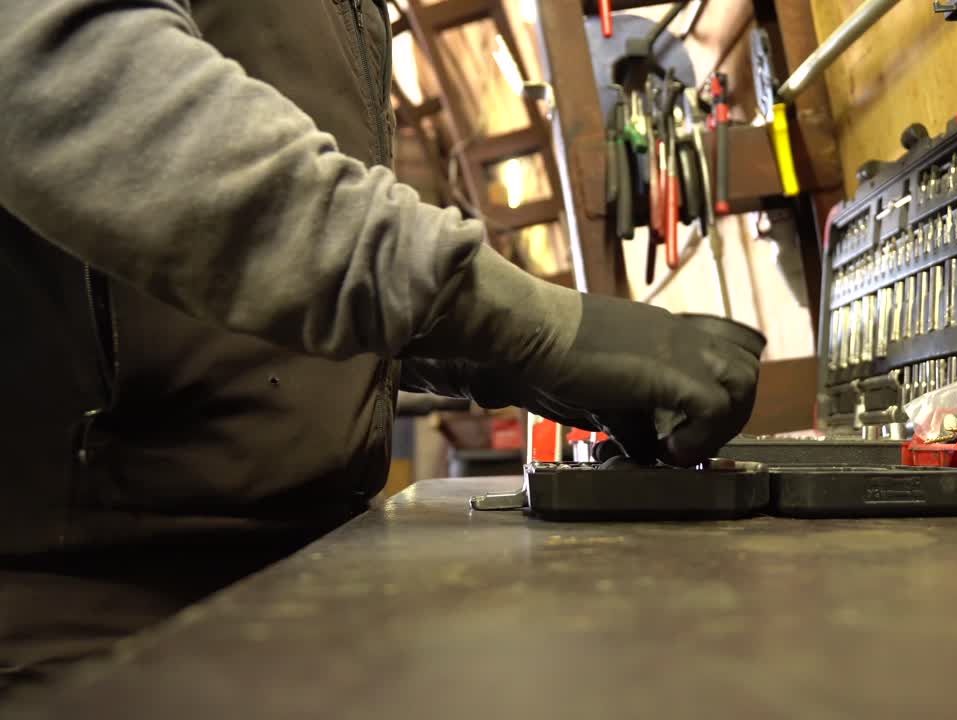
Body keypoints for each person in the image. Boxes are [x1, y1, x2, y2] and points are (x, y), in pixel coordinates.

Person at [0, 0, 760, 691]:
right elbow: (86, 98)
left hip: (307, 574)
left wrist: (485, 353)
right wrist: (515, 318)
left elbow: (270, 278)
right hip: (97, 619)